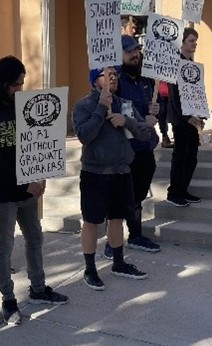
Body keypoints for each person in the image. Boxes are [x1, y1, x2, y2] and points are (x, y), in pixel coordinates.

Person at [0, 56, 68, 327]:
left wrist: (41, 172)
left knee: (35, 239)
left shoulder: (22, 107)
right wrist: (24, 183)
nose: (20, 89)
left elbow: (36, 144)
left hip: (27, 190)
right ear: (2, 83)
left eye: (22, 84)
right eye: (16, 84)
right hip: (2, 195)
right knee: (3, 249)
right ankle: (8, 300)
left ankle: (38, 289)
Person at [73, 66, 151, 291]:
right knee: (91, 222)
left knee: (117, 219)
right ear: (94, 80)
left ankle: (118, 263)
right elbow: (84, 135)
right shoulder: (83, 105)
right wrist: (101, 109)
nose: (113, 78)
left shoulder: (124, 103)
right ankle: (90, 269)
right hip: (95, 173)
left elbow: (145, 134)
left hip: (121, 172)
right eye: (107, 74)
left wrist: (126, 121)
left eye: (115, 74)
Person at [105, 35, 160, 255]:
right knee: (120, 197)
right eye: (129, 51)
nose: (134, 54)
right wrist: (140, 121)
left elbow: (157, 110)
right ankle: (112, 241)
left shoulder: (146, 80)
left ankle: (135, 235)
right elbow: (113, 110)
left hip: (145, 146)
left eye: (136, 49)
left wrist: (157, 112)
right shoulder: (115, 82)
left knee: (137, 195)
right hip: (125, 149)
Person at [166, 27, 204, 207]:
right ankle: (174, 192)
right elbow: (174, 95)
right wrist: (186, 116)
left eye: (195, 41)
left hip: (193, 118)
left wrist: (200, 114)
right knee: (181, 156)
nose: (194, 44)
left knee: (192, 156)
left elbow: (197, 93)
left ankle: (183, 190)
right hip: (180, 119)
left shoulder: (193, 64)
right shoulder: (176, 63)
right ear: (182, 42)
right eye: (191, 40)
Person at [158, 80, 173, 148]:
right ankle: (165, 137)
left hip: (170, 92)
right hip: (162, 92)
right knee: (162, 116)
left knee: (173, 115)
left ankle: (166, 137)